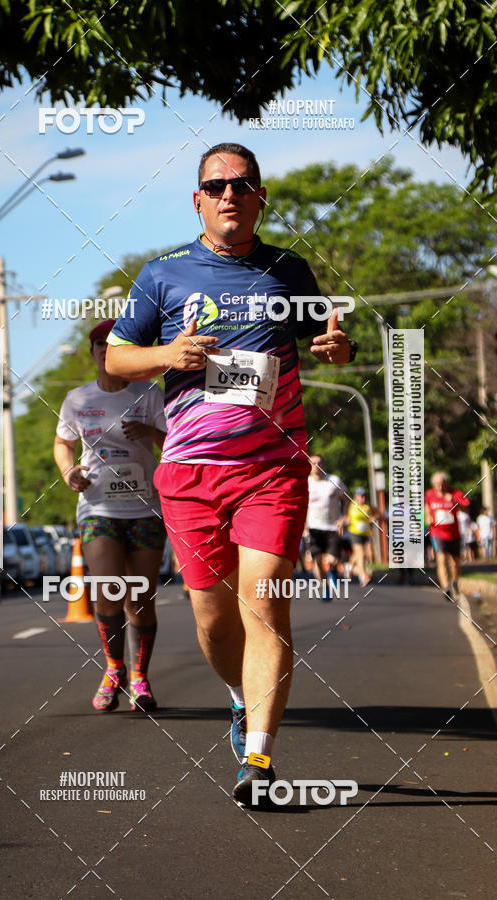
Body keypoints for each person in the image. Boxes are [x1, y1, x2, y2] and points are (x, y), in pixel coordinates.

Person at [105, 143, 356, 806]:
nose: (230, 194)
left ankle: (259, 760)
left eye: (243, 184)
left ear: (259, 197)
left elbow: (325, 332)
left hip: (272, 467)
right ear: (198, 199)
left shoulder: (287, 271)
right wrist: (170, 351)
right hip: (190, 471)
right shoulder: (163, 276)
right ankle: (242, 697)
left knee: (265, 603)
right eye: (217, 184)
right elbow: (115, 361)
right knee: (215, 622)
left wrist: (338, 344)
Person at [54, 320, 167, 712]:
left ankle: (140, 678)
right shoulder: (77, 399)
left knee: (140, 597)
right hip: (98, 507)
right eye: (99, 344)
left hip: (145, 508)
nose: (105, 349)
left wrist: (149, 432)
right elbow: (62, 443)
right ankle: (113, 669)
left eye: (113, 343)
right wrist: (68, 472)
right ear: (92, 353)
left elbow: (174, 444)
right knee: (107, 592)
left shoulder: (150, 394)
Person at [304, 456, 348, 600]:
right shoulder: (305, 482)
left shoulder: (333, 481)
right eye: (313, 463)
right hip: (313, 527)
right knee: (316, 559)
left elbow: (347, 499)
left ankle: (333, 571)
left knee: (332, 560)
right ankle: (324, 588)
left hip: (332, 526)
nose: (316, 465)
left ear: (324, 464)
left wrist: (343, 517)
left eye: (319, 463)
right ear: (309, 466)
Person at [424, 472, 470, 602]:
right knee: (441, 559)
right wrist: (428, 515)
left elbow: (466, 508)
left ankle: (454, 582)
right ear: (433, 485)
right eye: (436, 485)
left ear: (446, 483)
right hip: (437, 533)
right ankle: (446, 588)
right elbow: (426, 505)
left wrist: (455, 501)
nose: (439, 487)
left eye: (442, 484)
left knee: (455, 562)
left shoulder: (456, 493)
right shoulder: (429, 494)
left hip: (454, 533)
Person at [345, 487, 377, 585]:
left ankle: (349, 566)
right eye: (360, 496)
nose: (362, 498)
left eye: (364, 496)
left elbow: (377, 514)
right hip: (354, 532)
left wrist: (373, 518)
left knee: (365, 553)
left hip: (365, 533)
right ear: (356, 496)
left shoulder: (368, 507)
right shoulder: (351, 505)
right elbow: (346, 516)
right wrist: (346, 520)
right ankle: (363, 576)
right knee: (360, 553)